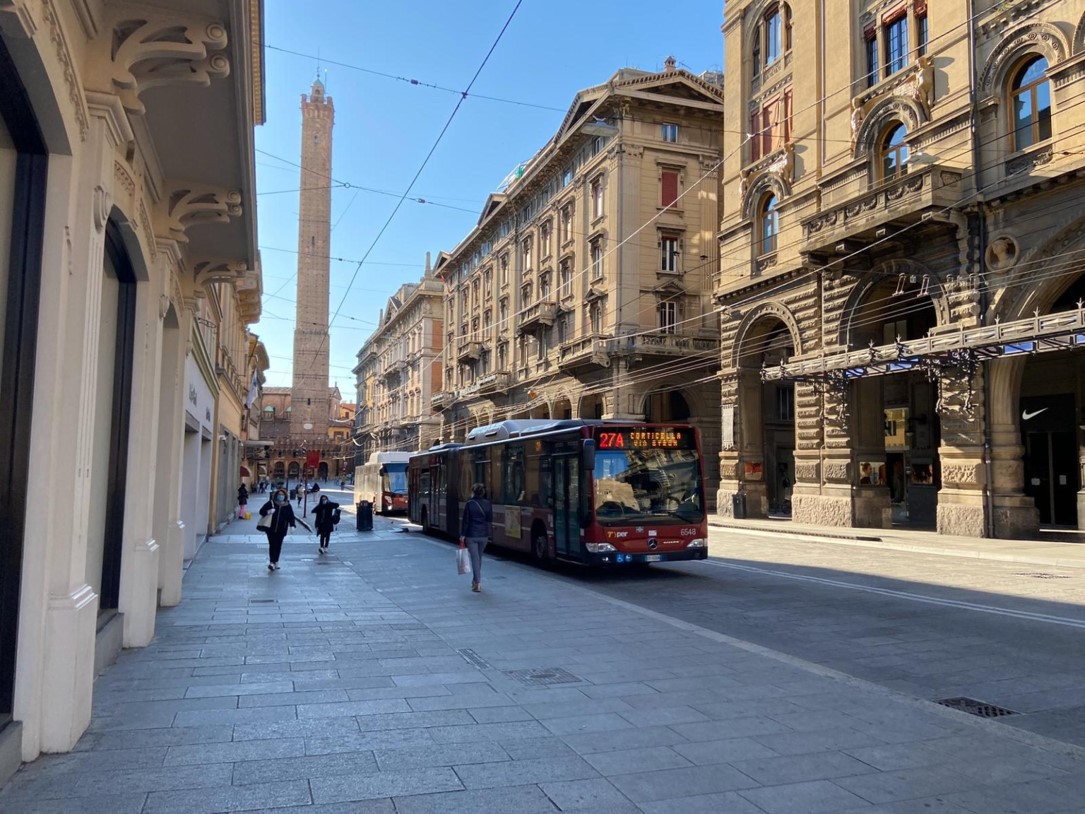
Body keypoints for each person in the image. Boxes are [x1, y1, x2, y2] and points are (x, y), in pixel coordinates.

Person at [458, 483, 493, 593]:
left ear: (473, 492)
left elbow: (466, 521)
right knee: (479, 557)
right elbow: (489, 519)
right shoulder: (487, 504)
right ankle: (475, 580)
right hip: (484, 535)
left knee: (475, 558)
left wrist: (463, 535)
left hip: (472, 535)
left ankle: (477, 583)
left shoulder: (469, 504)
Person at [258, 488, 296, 571]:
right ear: (276, 496)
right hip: (270, 529)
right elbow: (261, 511)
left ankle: (276, 561)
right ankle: (272, 562)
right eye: (279, 495)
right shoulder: (271, 503)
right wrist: (269, 511)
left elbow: (291, 517)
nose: (280, 496)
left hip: (281, 529)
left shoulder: (287, 506)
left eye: (282, 495)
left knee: (278, 546)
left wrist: (292, 525)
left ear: (285, 496)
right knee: (272, 545)